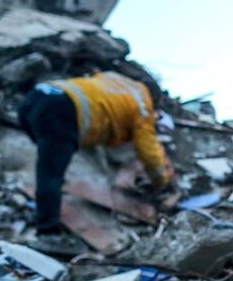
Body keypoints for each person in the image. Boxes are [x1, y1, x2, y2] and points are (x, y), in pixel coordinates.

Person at [17, 70, 175, 238]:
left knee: (50, 162)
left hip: (39, 95)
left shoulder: (116, 79)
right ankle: (48, 232)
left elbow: (100, 103)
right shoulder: (143, 108)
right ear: (154, 99)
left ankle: (45, 202)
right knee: (51, 175)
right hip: (62, 110)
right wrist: (161, 181)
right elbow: (149, 153)